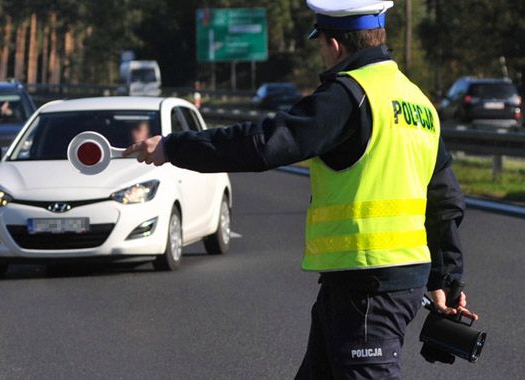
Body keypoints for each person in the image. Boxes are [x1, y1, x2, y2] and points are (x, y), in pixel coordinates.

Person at [125, 1, 478, 378]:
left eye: (321, 45)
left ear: (336, 45)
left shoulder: (349, 97)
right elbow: (445, 202)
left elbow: (264, 143)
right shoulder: (418, 102)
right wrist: (445, 279)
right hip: (380, 282)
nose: (322, 57)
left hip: (367, 286)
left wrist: (173, 147)